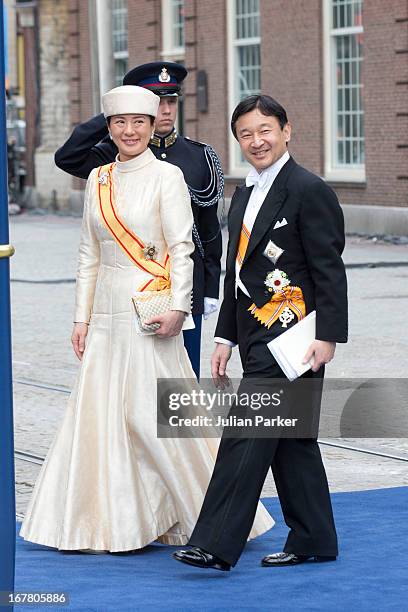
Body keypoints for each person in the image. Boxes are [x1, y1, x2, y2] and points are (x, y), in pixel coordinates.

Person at [20, 86, 273, 553]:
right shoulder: (97, 179)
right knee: (100, 419)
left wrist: (180, 306)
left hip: (152, 312)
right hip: (105, 316)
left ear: (153, 123)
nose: (129, 131)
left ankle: (212, 515)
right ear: (109, 127)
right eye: (120, 123)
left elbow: (183, 247)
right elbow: (87, 255)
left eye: (139, 121)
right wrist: (80, 318)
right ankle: (110, 522)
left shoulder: (168, 176)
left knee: (156, 416)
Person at [173, 94, 348, 571]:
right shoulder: (244, 194)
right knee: (292, 442)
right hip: (253, 337)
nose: (257, 141)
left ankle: (214, 543)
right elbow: (237, 273)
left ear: (287, 130)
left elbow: (329, 270)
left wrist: (328, 336)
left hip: (297, 338)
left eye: (265, 130)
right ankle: (314, 538)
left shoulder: (310, 190)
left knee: (245, 434)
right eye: (246, 134)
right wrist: (224, 339)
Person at [54, 61, 223, 379]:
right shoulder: (112, 155)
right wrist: (118, 110)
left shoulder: (199, 156)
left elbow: (209, 230)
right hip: (131, 290)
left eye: (171, 101)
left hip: (183, 289)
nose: (165, 110)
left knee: (180, 383)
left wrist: (210, 288)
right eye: (155, 102)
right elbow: (67, 156)